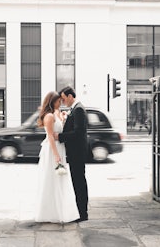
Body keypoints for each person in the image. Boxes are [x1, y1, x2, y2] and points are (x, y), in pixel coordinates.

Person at [34, 91, 80, 223]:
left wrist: (63, 118)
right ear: (52, 101)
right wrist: (56, 155)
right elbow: (50, 136)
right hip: (52, 150)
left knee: (61, 180)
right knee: (52, 179)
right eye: (58, 101)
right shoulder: (49, 116)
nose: (61, 103)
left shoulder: (57, 113)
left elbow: (60, 130)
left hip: (60, 148)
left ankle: (61, 210)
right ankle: (50, 212)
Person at [54, 86, 88, 222]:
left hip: (78, 152)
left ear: (70, 96)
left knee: (79, 182)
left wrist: (60, 136)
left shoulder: (78, 109)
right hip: (76, 152)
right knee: (78, 181)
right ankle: (81, 212)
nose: (62, 101)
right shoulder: (75, 109)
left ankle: (83, 214)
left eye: (63, 98)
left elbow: (78, 132)